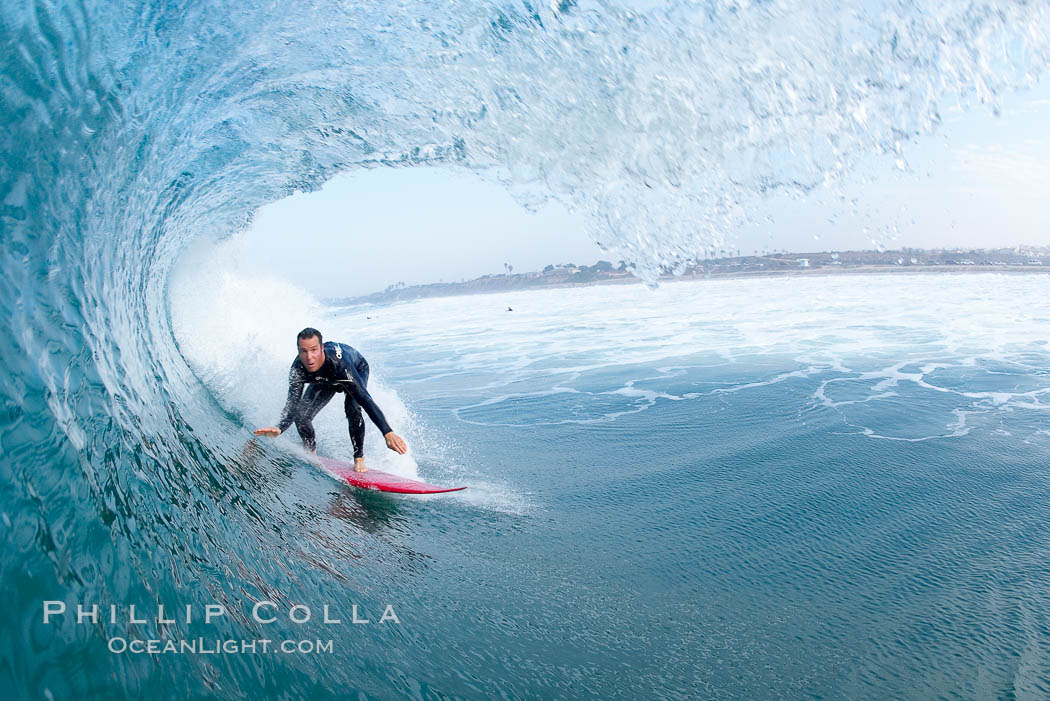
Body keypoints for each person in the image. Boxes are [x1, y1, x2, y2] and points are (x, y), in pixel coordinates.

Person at [254, 328, 407, 472]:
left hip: (355, 368)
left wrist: (387, 432)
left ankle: (359, 457)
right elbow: (292, 405)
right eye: (304, 351)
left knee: (352, 407)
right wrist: (280, 427)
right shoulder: (298, 369)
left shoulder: (340, 366)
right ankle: (310, 450)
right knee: (301, 415)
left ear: (321, 349)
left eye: (314, 350)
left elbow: (365, 400)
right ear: (298, 352)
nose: (309, 357)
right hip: (326, 379)